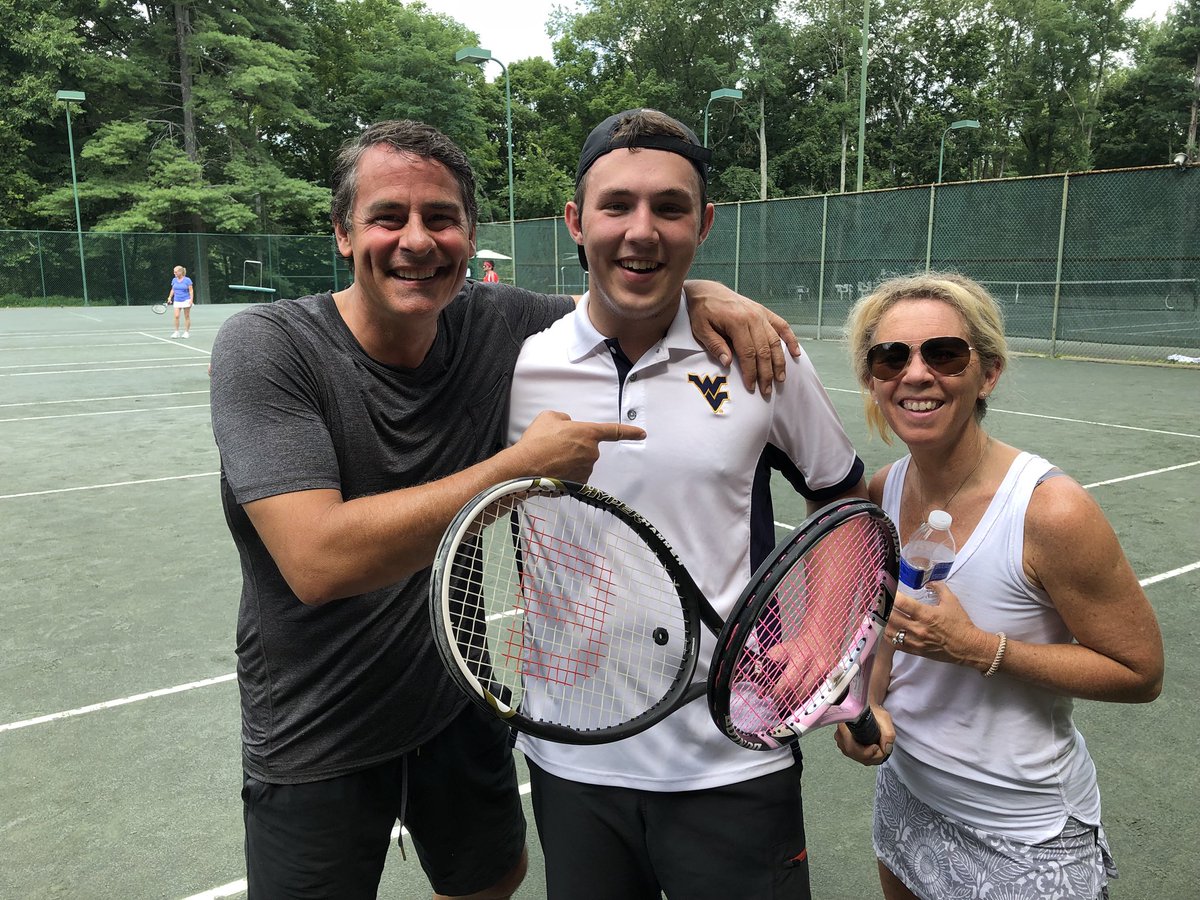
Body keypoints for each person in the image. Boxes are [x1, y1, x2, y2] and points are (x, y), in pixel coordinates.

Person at [209, 117, 803, 900]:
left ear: (469, 234)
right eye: (389, 217)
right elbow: (318, 562)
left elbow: (623, 285)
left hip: (460, 707)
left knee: (492, 880)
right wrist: (516, 471)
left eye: (441, 219)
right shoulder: (268, 348)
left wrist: (704, 291)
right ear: (343, 233)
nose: (416, 241)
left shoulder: (500, 327)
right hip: (319, 725)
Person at [506, 108, 867, 900]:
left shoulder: (760, 357)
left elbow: (842, 496)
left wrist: (820, 633)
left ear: (703, 224)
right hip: (571, 756)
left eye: (670, 208)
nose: (642, 231)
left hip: (733, 753)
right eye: (616, 205)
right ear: (574, 221)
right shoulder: (518, 361)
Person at [836, 273, 1164, 900]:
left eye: (944, 353)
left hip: (1024, 830)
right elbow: (886, 630)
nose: (916, 373)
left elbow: (1140, 673)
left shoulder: (1050, 510)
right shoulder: (884, 490)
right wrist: (867, 703)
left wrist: (979, 648)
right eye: (891, 356)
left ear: (987, 373)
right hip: (910, 795)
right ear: (874, 379)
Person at [168, 265, 194, 337]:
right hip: (177, 300)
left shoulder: (187, 280)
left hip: (186, 300)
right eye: (174, 272)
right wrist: (169, 297)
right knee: (176, 316)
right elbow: (173, 289)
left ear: (180, 272)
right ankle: (176, 332)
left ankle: (186, 332)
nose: (174, 273)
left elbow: (191, 291)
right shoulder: (174, 280)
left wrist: (191, 300)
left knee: (187, 316)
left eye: (176, 272)